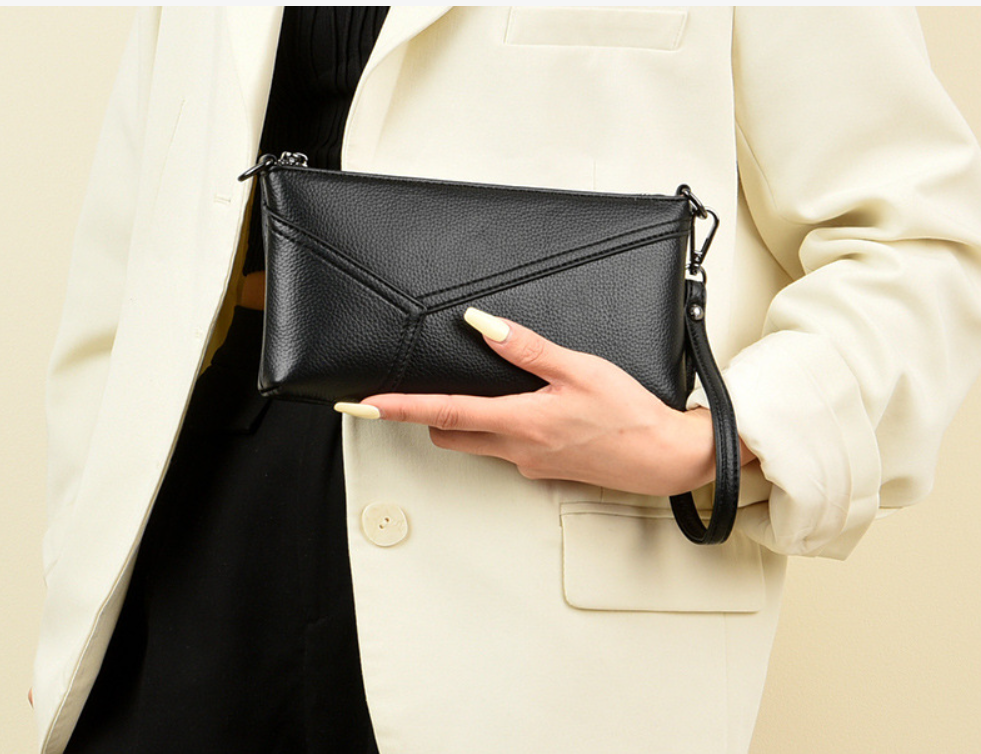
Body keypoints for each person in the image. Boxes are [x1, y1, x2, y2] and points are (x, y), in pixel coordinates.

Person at [32, 7, 981, 754]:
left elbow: (919, 241)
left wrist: (710, 442)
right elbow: (132, 246)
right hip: (199, 536)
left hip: (536, 584)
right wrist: (79, 597)